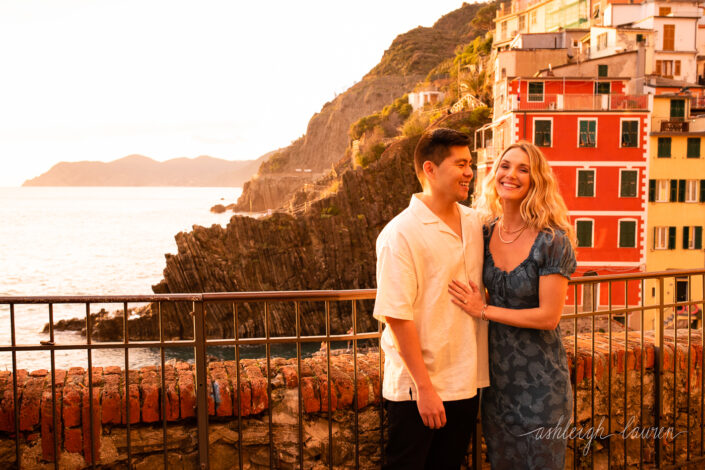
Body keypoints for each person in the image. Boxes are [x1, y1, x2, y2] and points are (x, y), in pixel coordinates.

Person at [448, 141, 576, 469]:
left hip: (542, 386)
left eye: (523, 169)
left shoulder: (552, 240)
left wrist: (484, 310)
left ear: (537, 180)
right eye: (505, 166)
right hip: (497, 382)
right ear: (495, 173)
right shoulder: (486, 230)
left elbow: (549, 316)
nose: (511, 175)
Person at [373, 128, 488, 470]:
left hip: (465, 383)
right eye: (461, 163)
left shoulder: (475, 222)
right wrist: (424, 389)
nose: (470, 172)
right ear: (430, 169)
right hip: (416, 391)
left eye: (471, 163)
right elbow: (397, 317)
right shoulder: (400, 233)